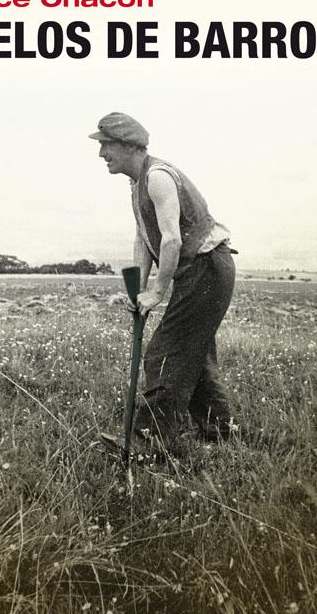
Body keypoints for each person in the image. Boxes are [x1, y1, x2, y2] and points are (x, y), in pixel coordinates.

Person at [89, 112, 236, 457]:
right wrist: (137, 289)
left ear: (129, 145)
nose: (101, 154)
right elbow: (144, 240)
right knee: (193, 355)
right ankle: (220, 431)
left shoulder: (157, 177)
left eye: (106, 145)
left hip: (207, 268)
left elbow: (171, 241)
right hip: (199, 271)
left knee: (165, 353)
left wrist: (157, 292)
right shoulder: (136, 184)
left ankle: (147, 441)